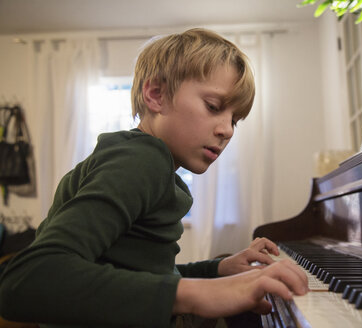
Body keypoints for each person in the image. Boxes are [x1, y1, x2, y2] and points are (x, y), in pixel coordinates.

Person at [0, 28, 308, 327]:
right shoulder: (141, 161)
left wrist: (216, 269)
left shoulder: (148, 163)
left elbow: (142, 271)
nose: (226, 130)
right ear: (156, 95)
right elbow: (27, 279)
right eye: (213, 107)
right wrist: (199, 293)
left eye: (234, 120)